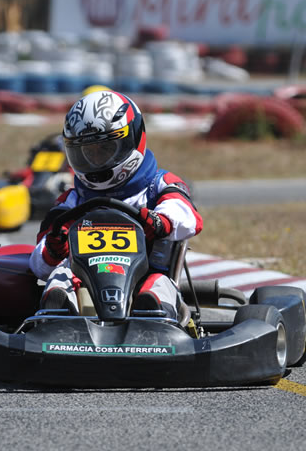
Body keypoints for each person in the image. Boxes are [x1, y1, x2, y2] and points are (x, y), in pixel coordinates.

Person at [29, 90, 203, 319]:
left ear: (132, 138)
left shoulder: (156, 186)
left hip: (147, 276)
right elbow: (38, 264)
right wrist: (53, 248)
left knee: (156, 286)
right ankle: (57, 317)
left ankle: (153, 317)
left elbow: (187, 217)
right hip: (87, 286)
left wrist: (161, 222)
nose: (95, 161)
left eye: (105, 149)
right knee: (60, 277)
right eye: (86, 153)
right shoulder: (73, 201)